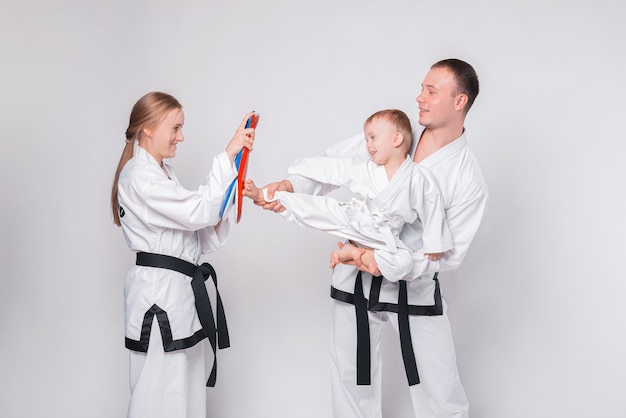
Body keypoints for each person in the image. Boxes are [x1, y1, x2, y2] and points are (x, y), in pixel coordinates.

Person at [255, 59, 488, 418]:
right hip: (354, 278)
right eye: (421, 88)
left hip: (412, 285)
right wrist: (290, 187)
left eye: (431, 91)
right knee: (351, 380)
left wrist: (383, 262)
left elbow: (448, 255)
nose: (419, 97)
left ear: (459, 101)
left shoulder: (467, 176)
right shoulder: (395, 130)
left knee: (438, 389)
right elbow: (336, 164)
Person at [110, 91, 256, 418]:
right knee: (157, 398)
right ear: (148, 128)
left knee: (185, 396)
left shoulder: (163, 173)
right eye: (175, 128)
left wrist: (232, 183)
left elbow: (199, 235)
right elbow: (197, 212)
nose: (181, 137)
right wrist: (227, 156)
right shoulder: (139, 177)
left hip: (179, 297)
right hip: (159, 299)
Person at [244, 109, 453, 278]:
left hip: (386, 238)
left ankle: (355, 254)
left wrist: (436, 242)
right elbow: (335, 168)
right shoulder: (366, 168)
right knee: (322, 211)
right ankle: (266, 195)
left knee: (405, 263)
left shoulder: (418, 178)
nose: (367, 145)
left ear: (396, 139)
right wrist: (298, 171)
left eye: (372, 138)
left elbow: (432, 205)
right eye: (366, 139)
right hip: (357, 220)